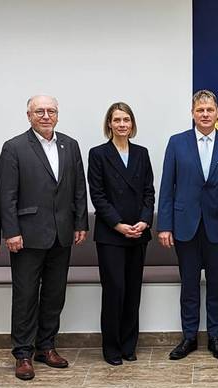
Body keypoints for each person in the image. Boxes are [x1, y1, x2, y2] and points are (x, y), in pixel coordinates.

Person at [0, 95, 88, 380]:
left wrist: (80, 223)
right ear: (29, 115)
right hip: (26, 236)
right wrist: (11, 232)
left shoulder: (70, 145)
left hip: (62, 234)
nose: (46, 115)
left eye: (51, 111)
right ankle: (23, 353)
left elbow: (78, 189)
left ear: (57, 115)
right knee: (25, 297)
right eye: (40, 111)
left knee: (54, 294)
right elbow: (6, 195)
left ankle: (46, 347)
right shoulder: (14, 147)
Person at [157, 90, 218, 360]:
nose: (205, 114)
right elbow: (167, 188)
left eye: (209, 110)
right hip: (185, 226)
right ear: (192, 113)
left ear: (217, 112)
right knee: (190, 285)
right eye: (200, 110)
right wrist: (164, 225)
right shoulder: (176, 143)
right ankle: (189, 336)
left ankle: (216, 337)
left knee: (217, 284)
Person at [88, 102, 155, 366]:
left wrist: (144, 221)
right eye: (117, 120)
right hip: (111, 235)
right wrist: (117, 224)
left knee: (132, 291)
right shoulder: (98, 154)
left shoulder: (142, 153)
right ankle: (112, 348)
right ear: (109, 125)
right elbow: (98, 195)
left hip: (138, 233)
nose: (122, 124)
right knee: (114, 290)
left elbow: (149, 191)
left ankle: (129, 345)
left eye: (126, 120)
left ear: (132, 124)